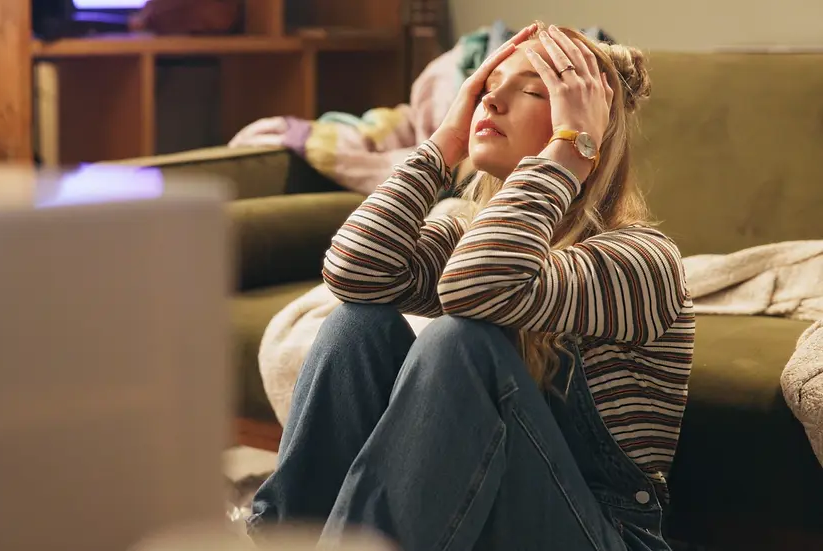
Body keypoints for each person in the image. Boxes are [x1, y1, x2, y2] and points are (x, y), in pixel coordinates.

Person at [247, 21, 695, 551]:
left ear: (586, 123)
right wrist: (442, 145)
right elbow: (353, 275)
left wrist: (572, 152)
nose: (492, 102)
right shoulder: (468, 227)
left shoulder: (641, 261)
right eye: (486, 88)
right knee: (356, 324)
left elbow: (477, 290)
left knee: (458, 342)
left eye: (531, 90)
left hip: (601, 534)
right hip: (482, 516)